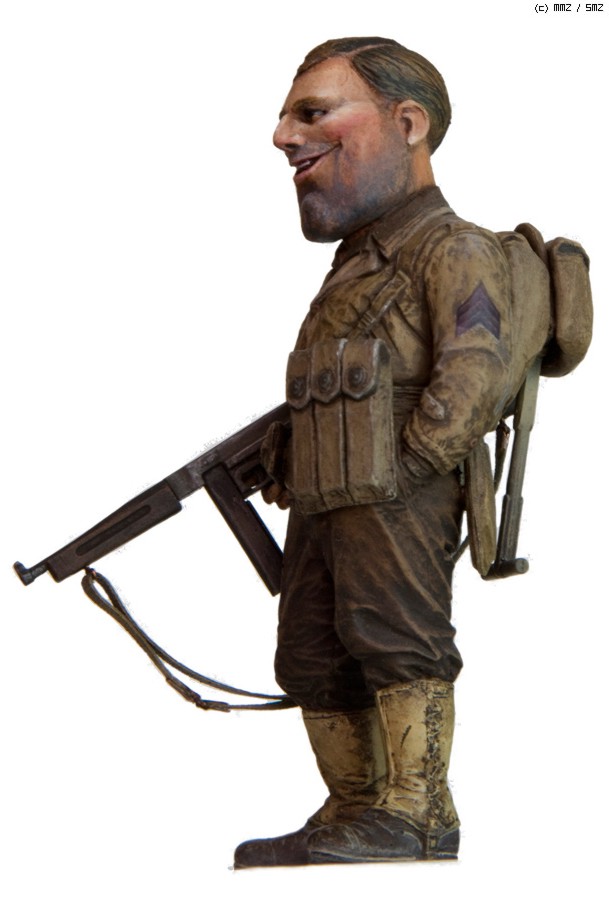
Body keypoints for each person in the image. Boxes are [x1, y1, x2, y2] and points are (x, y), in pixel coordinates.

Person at [234, 36, 514, 868]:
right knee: (310, 652)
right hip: (328, 494)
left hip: (390, 493)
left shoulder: (452, 248)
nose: (283, 136)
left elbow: (475, 371)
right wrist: (291, 448)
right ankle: (354, 808)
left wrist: (409, 468)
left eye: (312, 113)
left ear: (408, 124)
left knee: (395, 639)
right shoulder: (354, 263)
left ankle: (417, 812)